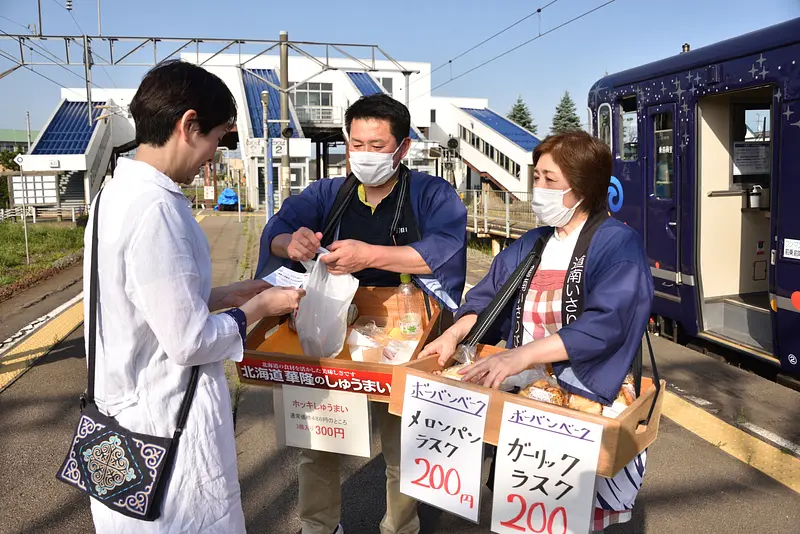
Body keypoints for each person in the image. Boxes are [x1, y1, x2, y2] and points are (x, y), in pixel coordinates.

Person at [85, 60, 305, 533]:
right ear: (188, 125)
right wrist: (262, 307)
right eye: (217, 140)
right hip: (165, 428)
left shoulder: (115, 194)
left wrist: (234, 292)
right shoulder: (157, 209)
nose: (215, 157)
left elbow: (154, 299)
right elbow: (189, 341)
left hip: (119, 424)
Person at [420, 131, 653, 534]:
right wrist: (453, 334)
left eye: (550, 180)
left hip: (585, 392)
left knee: (571, 512)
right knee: (525, 504)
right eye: (536, 177)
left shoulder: (618, 243)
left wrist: (521, 355)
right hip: (530, 393)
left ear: (582, 188)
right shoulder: (535, 242)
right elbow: (488, 296)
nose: (538, 189)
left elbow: (606, 323)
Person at [256, 93, 468, 534]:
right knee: (318, 442)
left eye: (377, 146)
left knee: (403, 445)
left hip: (406, 335)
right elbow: (277, 230)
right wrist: (288, 245)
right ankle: (317, 526)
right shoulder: (328, 193)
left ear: (403, 148)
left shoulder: (432, 194)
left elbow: (443, 250)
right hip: (333, 334)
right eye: (356, 144)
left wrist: (370, 254)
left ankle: (400, 527)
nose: (364, 155)